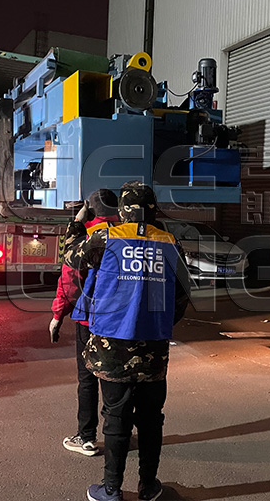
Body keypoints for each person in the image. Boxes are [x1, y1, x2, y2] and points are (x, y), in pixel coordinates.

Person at [75, 181, 190, 501]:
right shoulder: (170, 242)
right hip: (154, 347)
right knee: (152, 419)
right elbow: (182, 294)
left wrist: (77, 221)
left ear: (122, 209)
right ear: (153, 209)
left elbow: (74, 260)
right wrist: (158, 323)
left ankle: (111, 489)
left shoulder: (105, 237)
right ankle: (148, 486)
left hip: (112, 345)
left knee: (116, 416)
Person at [49, 189, 119, 457]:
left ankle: (86, 437)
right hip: (119, 317)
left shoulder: (86, 236)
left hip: (89, 317)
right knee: (115, 377)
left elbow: (69, 280)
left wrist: (57, 315)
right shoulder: (126, 234)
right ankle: (116, 432)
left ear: (89, 210)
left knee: (88, 376)